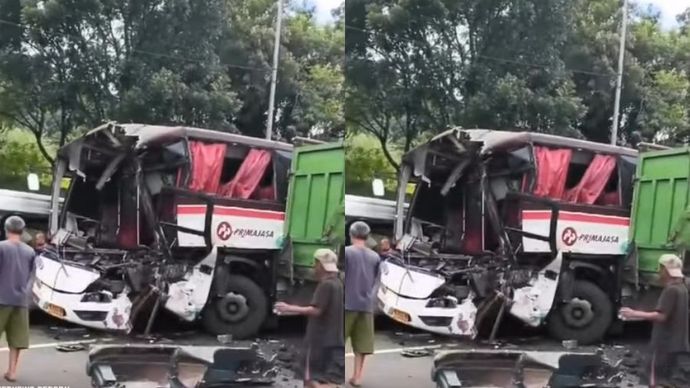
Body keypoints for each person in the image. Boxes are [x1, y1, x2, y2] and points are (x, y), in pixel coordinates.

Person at [274, 249, 343, 388]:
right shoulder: (338, 283)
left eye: (315, 263)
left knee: (309, 378)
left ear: (320, 265)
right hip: (332, 337)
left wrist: (289, 308)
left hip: (318, 339)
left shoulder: (325, 285)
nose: (313, 267)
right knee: (322, 376)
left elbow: (316, 310)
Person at [620, 254, 689, 386]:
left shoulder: (671, 290)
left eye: (660, 268)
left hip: (663, 344)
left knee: (654, 379)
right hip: (677, 344)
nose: (658, 271)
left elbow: (661, 316)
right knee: (673, 380)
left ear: (665, 270)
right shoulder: (682, 289)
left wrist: (633, 313)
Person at [0, 216, 36, 382]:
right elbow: (32, 277)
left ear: (6, 229)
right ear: (22, 232)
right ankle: (12, 372)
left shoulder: (1, 248)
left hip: (1, 298)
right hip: (20, 301)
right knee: (16, 339)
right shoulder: (30, 252)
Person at [344, 221, 380, 387]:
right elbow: (377, 282)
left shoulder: (347, 253)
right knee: (361, 344)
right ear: (367, 236)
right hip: (366, 305)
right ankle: (357, 377)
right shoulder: (375, 257)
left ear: (351, 235)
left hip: (347, 304)